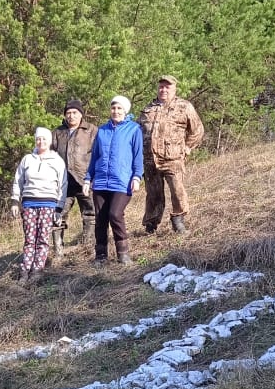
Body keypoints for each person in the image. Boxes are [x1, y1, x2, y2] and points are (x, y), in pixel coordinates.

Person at [138, 74, 204, 234]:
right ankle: (151, 225)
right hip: (150, 159)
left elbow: (197, 130)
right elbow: (138, 131)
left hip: (173, 158)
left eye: (167, 87)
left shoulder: (184, 106)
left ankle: (178, 220)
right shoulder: (148, 108)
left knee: (177, 190)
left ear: (174, 88)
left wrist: (188, 147)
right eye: (161, 86)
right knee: (153, 194)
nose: (163, 90)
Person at [82, 95, 143, 266]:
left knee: (115, 214)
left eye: (119, 108)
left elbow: (138, 156)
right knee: (100, 219)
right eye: (113, 108)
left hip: (122, 181)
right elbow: (94, 157)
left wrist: (137, 176)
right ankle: (101, 255)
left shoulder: (134, 129)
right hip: (100, 181)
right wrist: (88, 179)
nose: (115, 111)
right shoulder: (102, 130)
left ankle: (123, 253)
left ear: (125, 111)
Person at [10, 127, 68, 286]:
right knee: (30, 239)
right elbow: (18, 181)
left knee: (43, 238)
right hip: (29, 203)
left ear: (49, 141)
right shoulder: (27, 159)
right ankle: (25, 269)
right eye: (38, 139)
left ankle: (37, 270)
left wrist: (59, 207)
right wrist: (15, 201)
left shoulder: (57, 161)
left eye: (44, 139)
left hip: (49, 204)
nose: (41, 142)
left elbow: (63, 185)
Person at [50, 99, 97, 255]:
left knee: (90, 213)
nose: (71, 116)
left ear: (81, 114)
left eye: (74, 112)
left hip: (85, 179)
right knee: (58, 213)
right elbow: (48, 155)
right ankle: (58, 249)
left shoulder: (91, 130)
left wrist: (94, 177)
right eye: (68, 113)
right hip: (63, 182)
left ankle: (88, 245)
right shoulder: (57, 132)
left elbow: (99, 154)